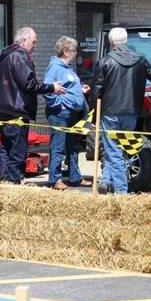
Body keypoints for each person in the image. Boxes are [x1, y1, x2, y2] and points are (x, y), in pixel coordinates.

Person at [91, 27, 151, 194]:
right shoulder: (140, 60)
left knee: (114, 150)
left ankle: (120, 191)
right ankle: (106, 179)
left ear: (110, 42)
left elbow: (96, 93)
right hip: (131, 112)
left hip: (109, 112)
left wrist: (94, 118)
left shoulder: (104, 62)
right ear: (126, 42)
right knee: (121, 148)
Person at [0, 27, 66, 184]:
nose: (35, 45)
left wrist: (7, 92)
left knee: (6, 149)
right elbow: (29, 84)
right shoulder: (20, 57)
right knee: (18, 151)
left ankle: (5, 183)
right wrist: (51, 87)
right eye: (34, 42)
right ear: (23, 41)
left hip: (2, 111)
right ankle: (14, 183)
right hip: (17, 111)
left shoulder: (4, 56)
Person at [43, 36, 93, 190]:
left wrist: (81, 91)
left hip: (72, 114)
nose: (76, 53)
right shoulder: (55, 67)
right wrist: (61, 105)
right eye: (73, 50)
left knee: (73, 146)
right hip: (60, 114)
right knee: (58, 147)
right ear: (65, 51)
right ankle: (55, 179)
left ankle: (75, 177)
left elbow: (69, 87)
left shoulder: (68, 67)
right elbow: (47, 90)